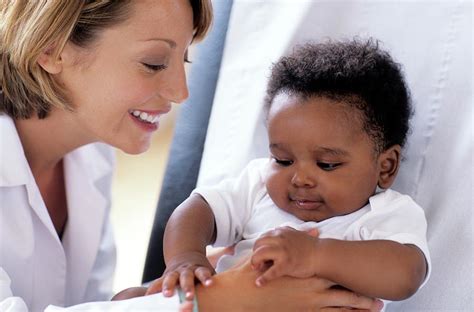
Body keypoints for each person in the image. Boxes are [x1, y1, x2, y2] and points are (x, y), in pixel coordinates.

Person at [0, 0, 383, 311]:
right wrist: (215, 300)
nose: (180, 93)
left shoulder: (91, 160)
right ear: (51, 48)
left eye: (183, 60)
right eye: (153, 63)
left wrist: (186, 285)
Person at [151, 39, 431, 309]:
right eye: (283, 160)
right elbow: (197, 209)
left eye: (327, 164)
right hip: (228, 302)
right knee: (129, 297)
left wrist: (315, 254)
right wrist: (185, 257)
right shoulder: (259, 186)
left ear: (386, 166)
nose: (300, 179)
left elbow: (407, 275)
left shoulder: (384, 214)